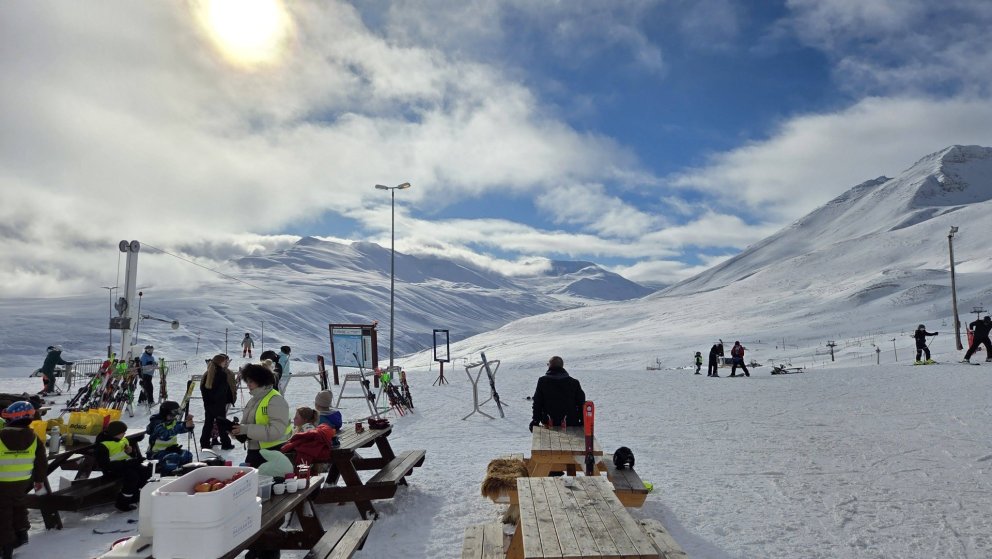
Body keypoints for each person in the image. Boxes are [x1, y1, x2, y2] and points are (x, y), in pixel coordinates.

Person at [0, 401, 46, 559]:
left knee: (3, 514)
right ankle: (22, 533)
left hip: (2, 483)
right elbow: (41, 461)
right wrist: (39, 479)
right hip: (22, 482)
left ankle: (6, 547)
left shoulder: (1, 436)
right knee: (18, 505)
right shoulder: (34, 438)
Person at [230, 364, 291, 468]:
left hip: (273, 453)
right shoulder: (254, 400)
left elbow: (276, 431)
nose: (248, 384)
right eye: (247, 381)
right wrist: (236, 430)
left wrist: (246, 429)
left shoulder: (275, 399)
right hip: (255, 452)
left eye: (251, 381)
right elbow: (247, 426)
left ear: (261, 380)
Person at [95, 420, 151, 512]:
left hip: (125, 464)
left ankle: (136, 496)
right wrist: (127, 462)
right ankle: (123, 503)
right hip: (112, 469)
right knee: (132, 476)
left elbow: (127, 454)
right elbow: (104, 464)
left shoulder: (122, 439)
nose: (124, 434)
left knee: (145, 470)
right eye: (122, 432)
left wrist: (130, 452)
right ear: (115, 433)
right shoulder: (103, 445)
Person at [529, 356, 585, 432]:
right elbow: (581, 403)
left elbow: (537, 403)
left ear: (550, 366)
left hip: (549, 424)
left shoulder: (543, 381)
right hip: (571, 423)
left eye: (548, 364)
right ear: (562, 366)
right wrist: (583, 422)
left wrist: (535, 421)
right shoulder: (574, 383)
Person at [145, 401, 194, 474]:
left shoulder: (172, 421)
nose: (173, 418)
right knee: (173, 457)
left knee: (187, 455)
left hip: (170, 449)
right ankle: (169, 475)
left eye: (174, 416)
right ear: (164, 414)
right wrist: (182, 426)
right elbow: (165, 435)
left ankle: (184, 473)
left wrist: (187, 426)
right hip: (156, 453)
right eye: (171, 416)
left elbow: (179, 427)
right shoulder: (156, 424)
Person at [200, 354, 236, 450]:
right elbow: (221, 391)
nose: (226, 363)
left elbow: (203, 389)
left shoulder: (208, 373)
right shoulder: (222, 374)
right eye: (225, 362)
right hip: (219, 404)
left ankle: (204, 443)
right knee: (221, 424)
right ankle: (226, 443)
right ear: (221, 362)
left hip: (208, 404)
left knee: (208, 424)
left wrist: (208, 402)